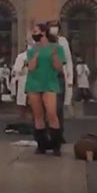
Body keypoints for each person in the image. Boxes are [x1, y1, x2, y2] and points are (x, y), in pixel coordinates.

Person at [24, 23, 66, 155]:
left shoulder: (57, 48)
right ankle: (41, 145)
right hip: (34, 83)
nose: (34, 34)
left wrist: (53, 56)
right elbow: (31, 67)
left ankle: (56, 145)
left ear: (43, 32)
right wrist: (35, 54)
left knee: (52, 113)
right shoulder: (31, 50)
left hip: (49, 83)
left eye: (35, 31)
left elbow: (58, 67)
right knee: (38, 115)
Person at [48, 20, 73, 141]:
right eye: (51, 27)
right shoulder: (43, 41)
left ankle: (59, 134)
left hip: (59, 76)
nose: (54, 29)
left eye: (55, 26)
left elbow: (68, 60)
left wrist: (70, 78)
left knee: (58, 107)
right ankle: (49, 134)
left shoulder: (63, 41)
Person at [12, 49, 29, 123]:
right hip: (24, 78)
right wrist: (24, 64)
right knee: (23, 99)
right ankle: (22, 116)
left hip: (35, 79)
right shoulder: (21, 56)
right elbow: (16, 69)